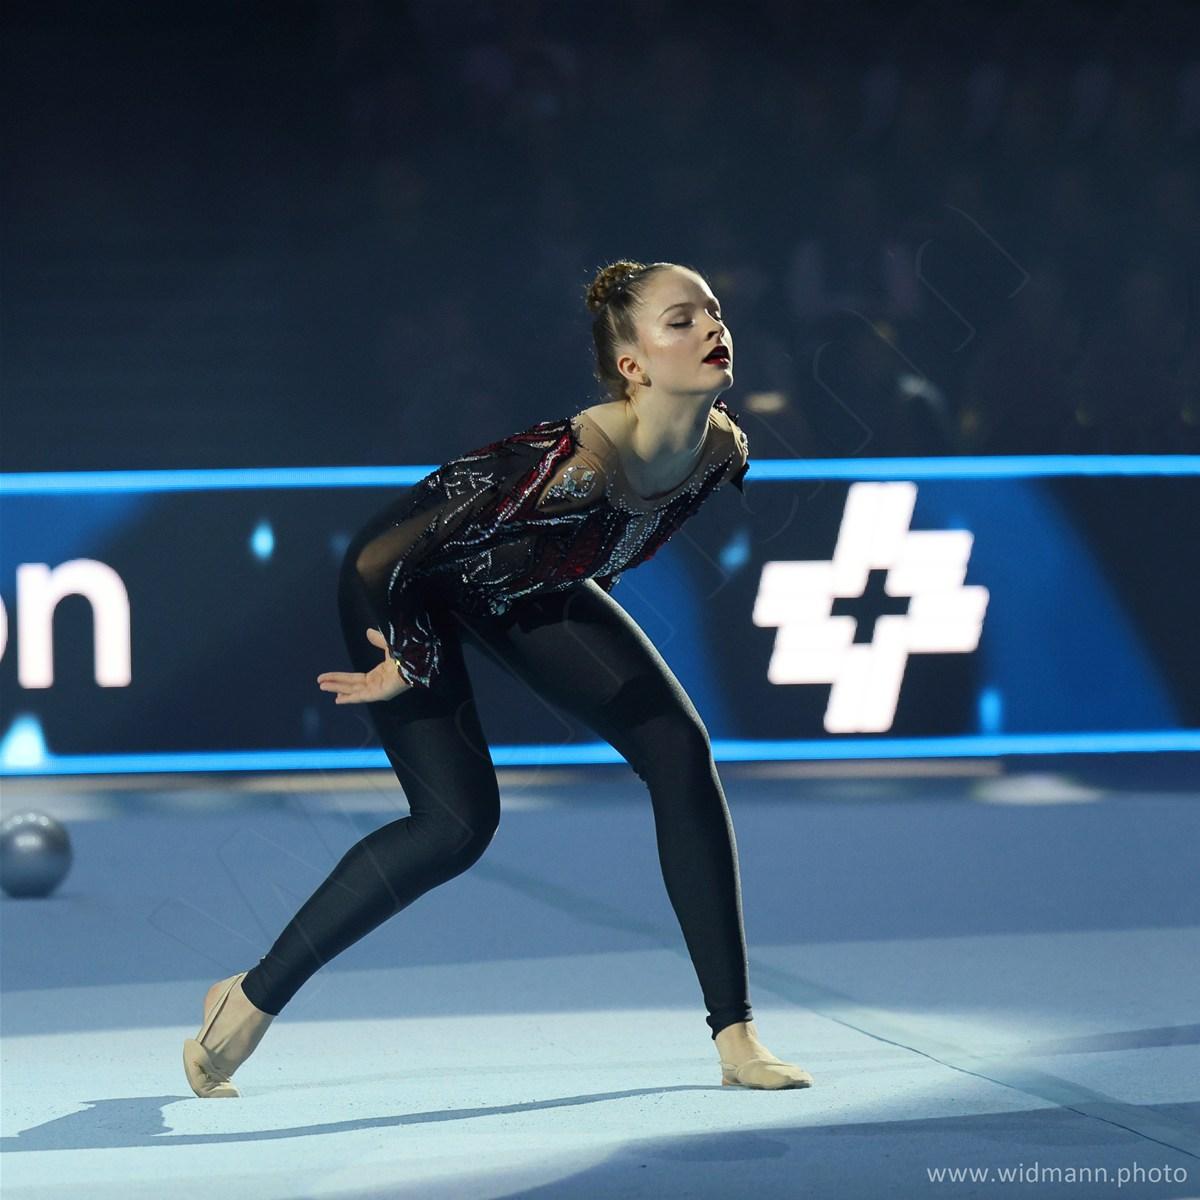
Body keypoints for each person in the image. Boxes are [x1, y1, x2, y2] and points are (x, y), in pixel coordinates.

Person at [182, 260, 814, 1098]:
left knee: (678, 750)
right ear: (632, 365)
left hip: (524, 581)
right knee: (455, 825)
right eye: (680, 320)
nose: (710, 328)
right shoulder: (573, 465)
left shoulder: (720, 450)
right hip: (403, 589)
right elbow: (381, 558)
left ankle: (735, 1036)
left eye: (713, 312)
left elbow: (601, 547)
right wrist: (408, 653)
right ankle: (248, 999)